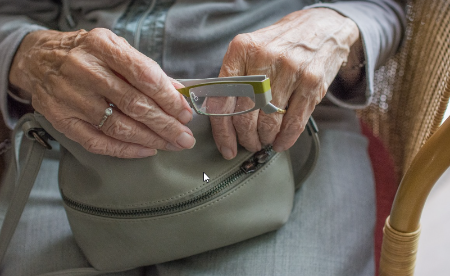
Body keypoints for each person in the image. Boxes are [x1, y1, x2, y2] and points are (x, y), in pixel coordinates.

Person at [0, 0, 405, 275]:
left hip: (276, 126)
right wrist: (33, 56)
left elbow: (383, 9)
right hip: (79, 126)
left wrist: (331, 25)